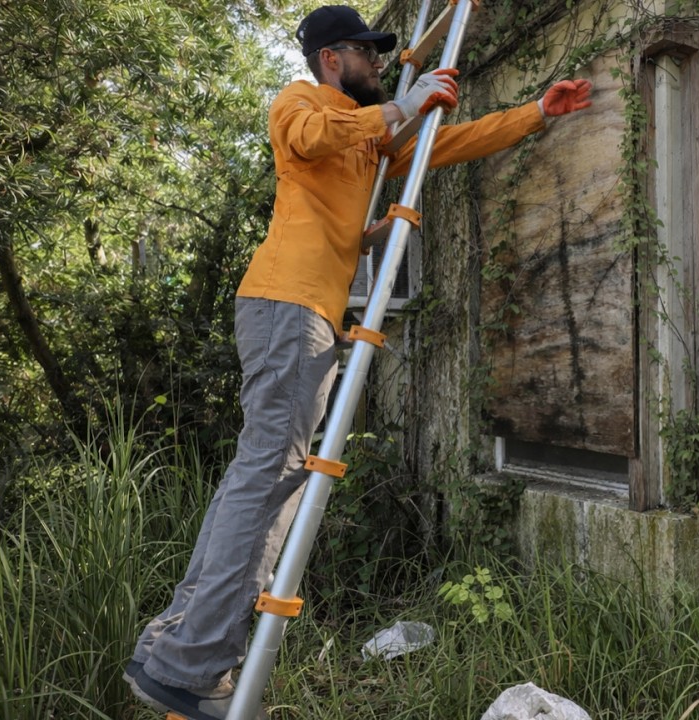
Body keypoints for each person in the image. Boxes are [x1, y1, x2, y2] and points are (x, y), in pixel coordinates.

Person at [122, 6, 593, 718]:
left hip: (302, 311)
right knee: (271, 476)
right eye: (370, 55)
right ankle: (191, 664)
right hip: (287, 304)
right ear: (333, 59)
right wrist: (400, 105)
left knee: (257, 478)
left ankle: (178, 649)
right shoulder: (301, 101)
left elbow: (445, 142)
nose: (382, 63)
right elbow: (312, 139)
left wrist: (534, 113)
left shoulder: (372, 143)